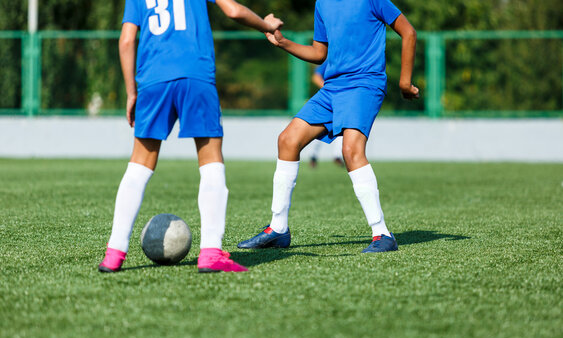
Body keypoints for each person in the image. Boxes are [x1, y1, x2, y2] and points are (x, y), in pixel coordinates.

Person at [98, 0, 283, 273]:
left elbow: (126, 41)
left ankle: (114, 253)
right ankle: (210, 252)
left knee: (138, 165)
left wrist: (131, 92)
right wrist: (267, 25)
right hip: (195, 74)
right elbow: (232, 10)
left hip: (152, 79)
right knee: (210, 161)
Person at [238, 0, 419, 253]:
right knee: (287, 140)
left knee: (351, 151)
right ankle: (278, 229)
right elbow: (319, 53)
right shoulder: (322, 3)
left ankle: (382, 234)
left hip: (364, 84)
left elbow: (409, 31)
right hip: (333, 88)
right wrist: (283, 42)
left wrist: (404, 82)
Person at [308, 61, 344, 169]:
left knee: (341, 128)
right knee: (320, 128)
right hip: (328, 100)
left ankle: (337, 156)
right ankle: (313, 156)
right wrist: (330, 89)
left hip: (341, 100)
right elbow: (316, 77)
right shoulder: (330, 59)